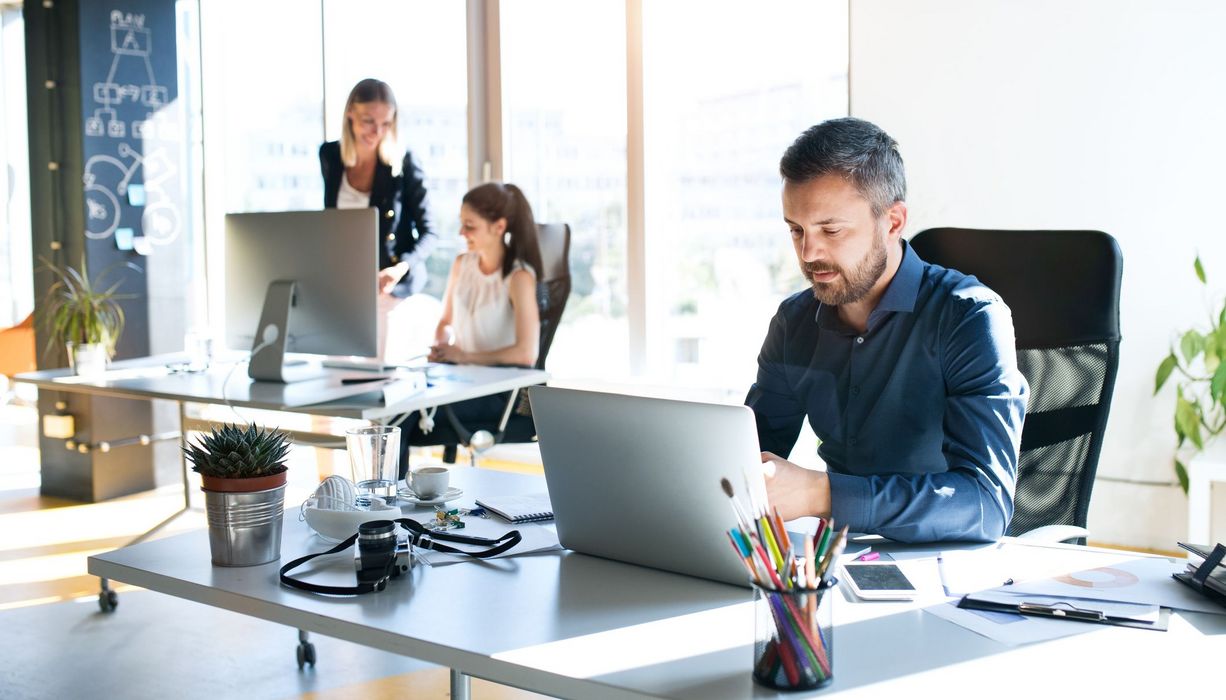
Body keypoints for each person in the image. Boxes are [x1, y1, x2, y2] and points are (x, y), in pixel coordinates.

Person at [746, 118, 1028, 543]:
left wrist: (821, 492)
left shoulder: (969, 318)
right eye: (796, 230)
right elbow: (746, 458)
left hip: (949, 567)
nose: (809, 252)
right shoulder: (794, 323)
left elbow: (985, 505)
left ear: (893, 222)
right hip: (839, 560)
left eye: (831, 229)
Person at [400, 182, 544, 476]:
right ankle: (386, 503)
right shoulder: (462, 264)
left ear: (498, 226)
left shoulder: (518, 277)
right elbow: (445, 322)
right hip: (459, 380)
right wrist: (441, 347)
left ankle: (385, 507)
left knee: (401, 418)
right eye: (461, 224)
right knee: (394, 406)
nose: (461, 234)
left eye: (470, 226)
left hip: (499, 392)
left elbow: (526, 353)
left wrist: (463, 356)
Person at [319, 78, 437, 359]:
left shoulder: (403, 162)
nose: (377, 131)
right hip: (345, 280)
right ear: (350, 114)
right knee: (334, 368)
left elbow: (429, 233)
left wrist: (400, 269)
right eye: (368, 121)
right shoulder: (331, 156)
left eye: (386, 124)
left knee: (378, 371)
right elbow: (330, 223)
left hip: (390, 282)